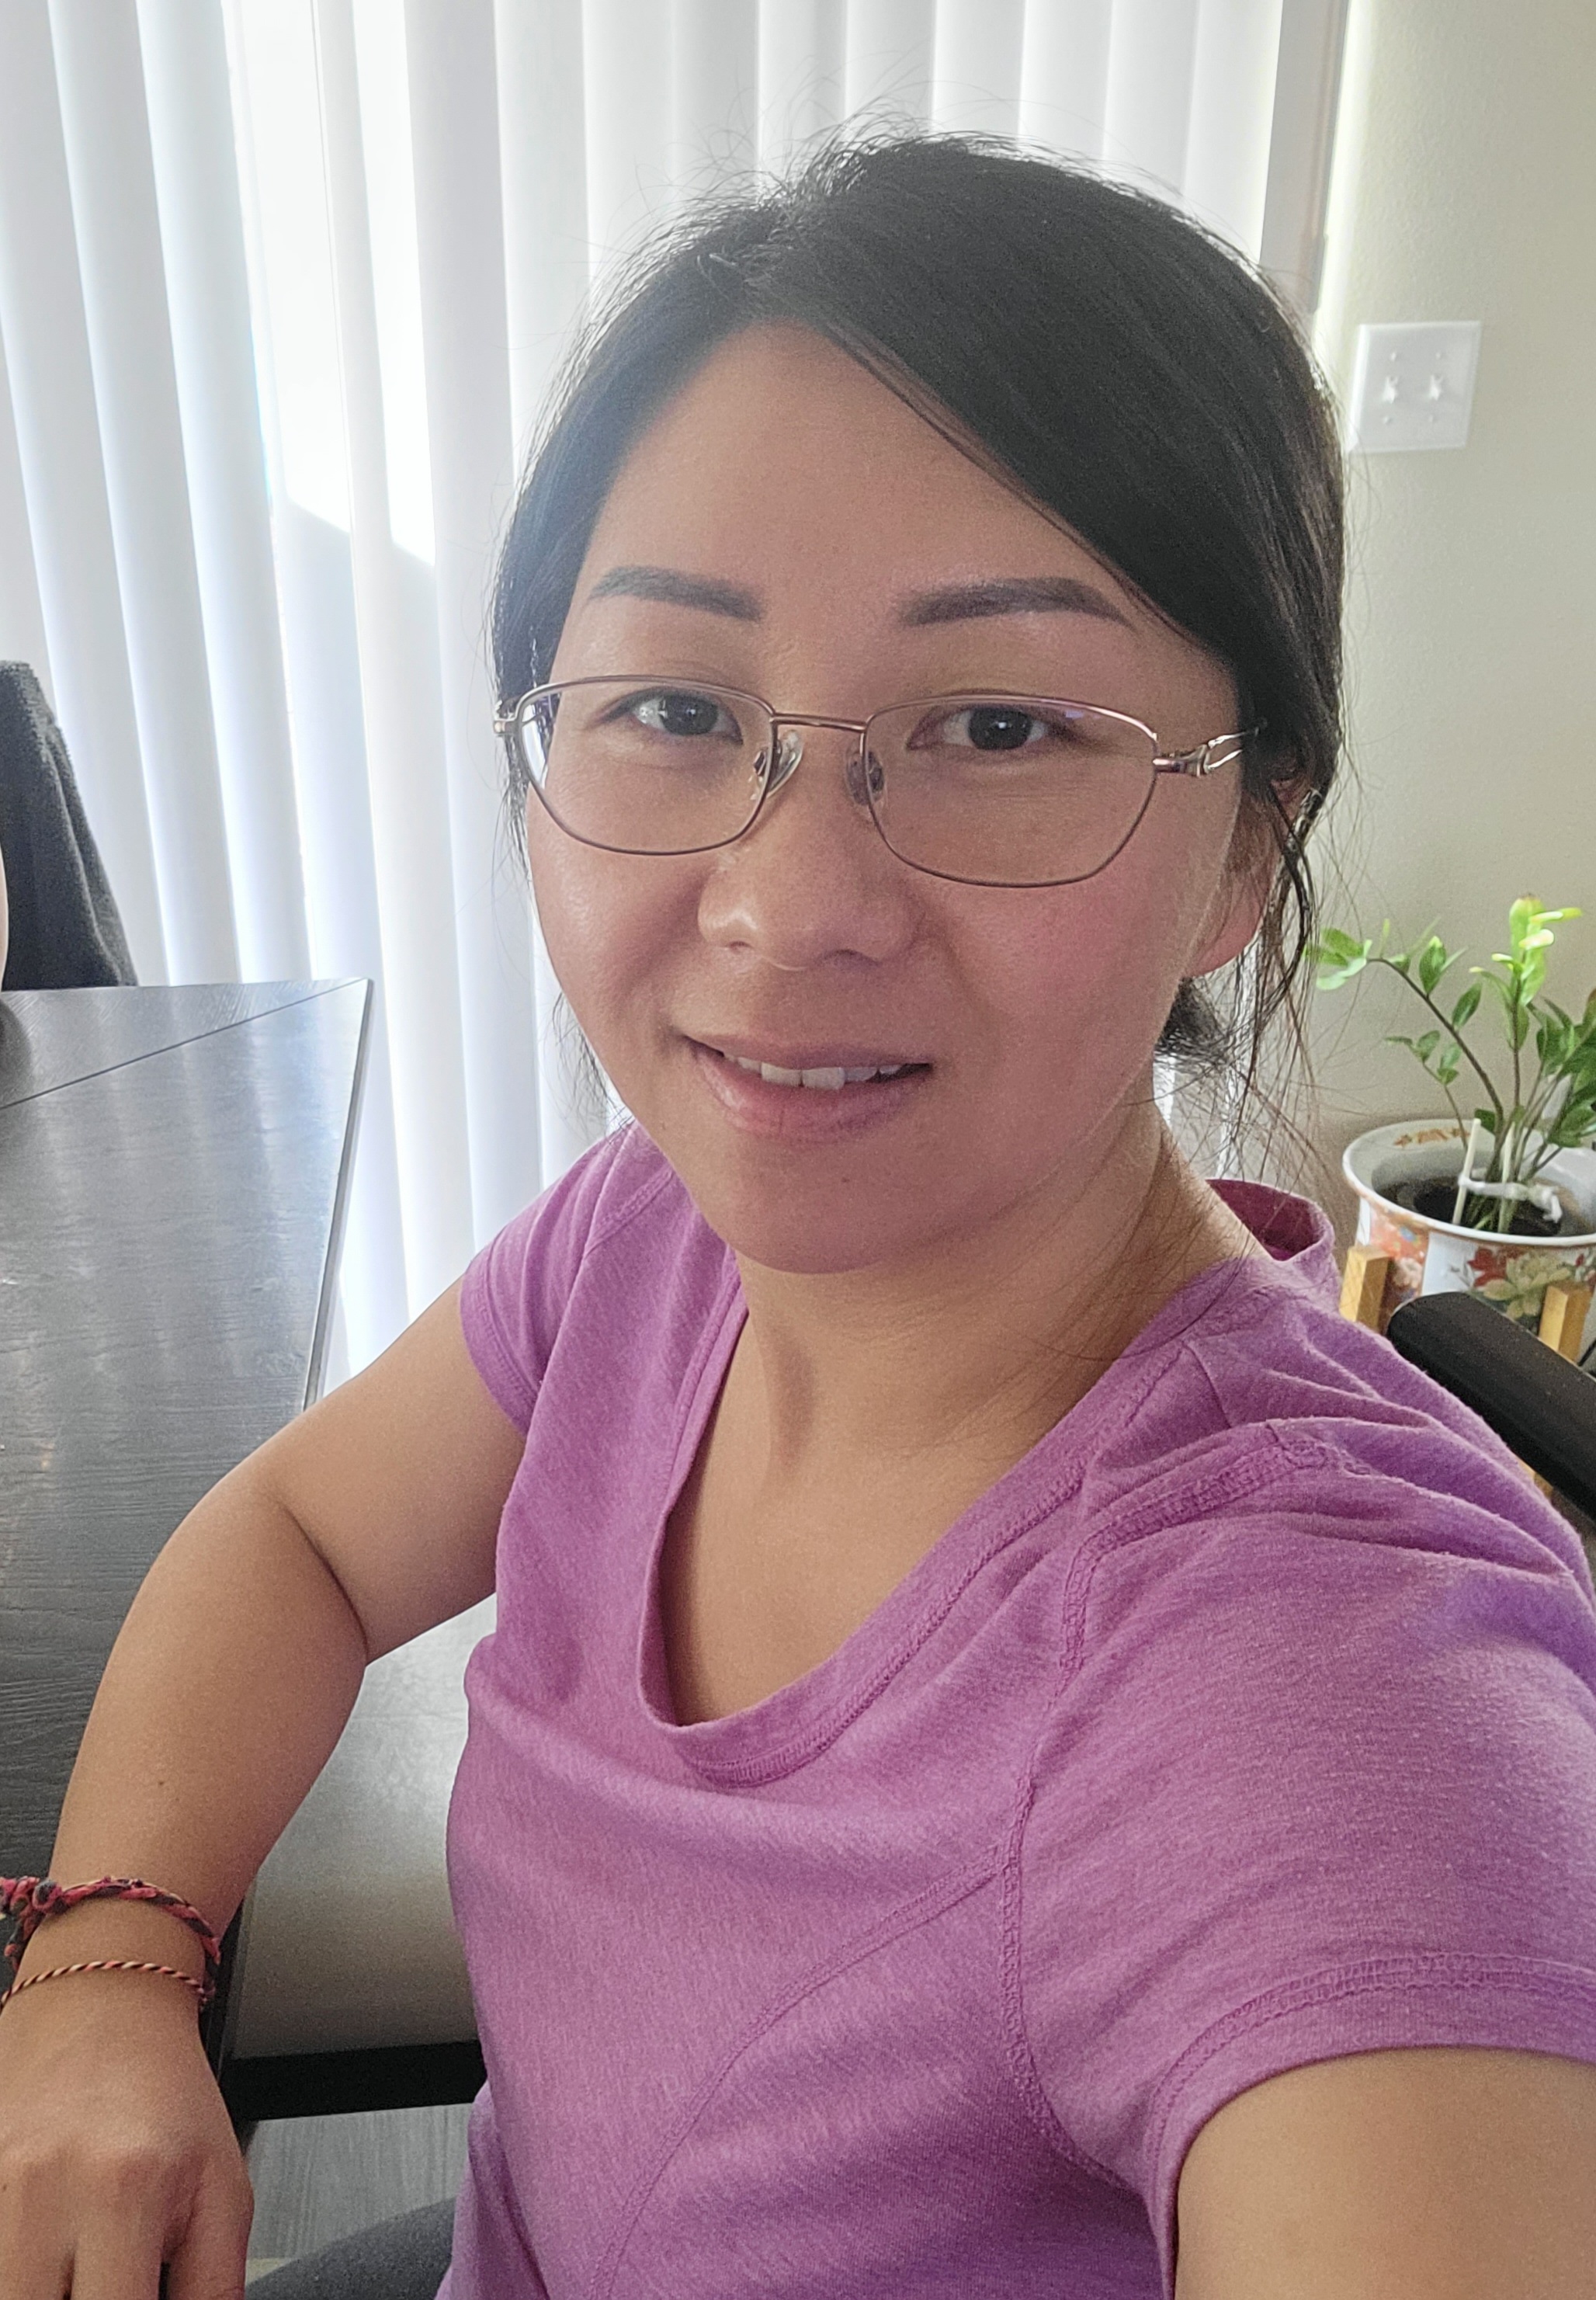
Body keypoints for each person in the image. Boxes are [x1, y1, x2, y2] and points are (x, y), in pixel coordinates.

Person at [2, 135, 1594, 2300]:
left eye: (1001, 725)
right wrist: (105, 1967)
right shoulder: (651, 1244)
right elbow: (299, 1532)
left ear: (1248, 852)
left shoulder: (1318, 1688)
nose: (787, 906)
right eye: (672, 708)